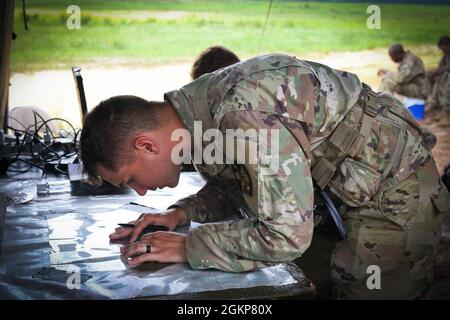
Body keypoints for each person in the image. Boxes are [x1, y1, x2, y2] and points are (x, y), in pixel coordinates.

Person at [80, 53, 449, 299]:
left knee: (363, 289)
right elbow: (242, 185)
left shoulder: (241, 113)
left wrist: (188, 246)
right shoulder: (194, 118)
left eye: (131, 180)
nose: (140, 192)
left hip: (392, 193)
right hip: (342, 193)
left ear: (146, 145)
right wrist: (182, 214)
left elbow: (286, 234)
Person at [425, 36, 450, 123]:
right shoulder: (446, 56)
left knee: (446, 77)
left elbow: (447, 68)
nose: (443, 51)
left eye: (444, 48)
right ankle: (436, 105)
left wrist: (438, 71)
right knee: (436, 78)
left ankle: (447, 112)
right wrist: (433, 73)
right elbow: (441, 67)